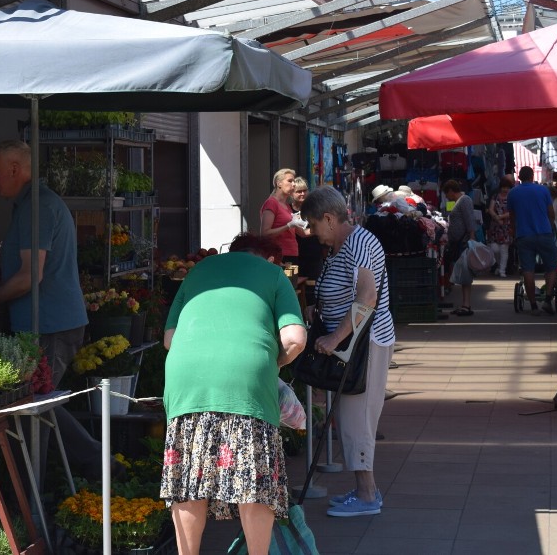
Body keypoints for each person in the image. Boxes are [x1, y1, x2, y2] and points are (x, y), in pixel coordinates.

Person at [0, 140, 112, 479]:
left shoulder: (38, 207)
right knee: (41, 403)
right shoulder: (32, 205)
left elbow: (31, 276)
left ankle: (35, 496)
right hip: (48, 323)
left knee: (33, 409)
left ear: (15, 170)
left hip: (51, 325)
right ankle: (99, 464)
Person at [160, 232, 307, 555]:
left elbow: (170, 339)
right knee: (253, 481)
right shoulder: (273, 275)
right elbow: (295, 338)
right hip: (247, 382)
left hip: (188, 383)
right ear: (268, 259)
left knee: (188, 479)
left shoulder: (199, 271)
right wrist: (273, 363)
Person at [299, 186, 394, 518]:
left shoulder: (360, 243)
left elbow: (367, 297)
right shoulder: (341, 247)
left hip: (364, 346)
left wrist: (335, 337)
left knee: (359, 419)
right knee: (349, 417)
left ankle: (368, 495)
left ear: (328, 218)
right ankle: (363, 489)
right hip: (350, 347)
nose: (311, 233)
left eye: (312, 224)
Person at [507, 166, 557, 316]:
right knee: (551, 267)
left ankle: (534, 306)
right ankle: (548, 299)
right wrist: (549, 226)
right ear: (531, 176)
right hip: (544, 233)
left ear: (520, 177)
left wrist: (514, 232)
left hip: (524, 235)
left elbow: (512, 217)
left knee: (528, 270)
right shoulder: (543, 190)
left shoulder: (513, 193)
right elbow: (551, 212)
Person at [442, 179, 476, 316]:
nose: (446, 197)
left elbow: (469, 220)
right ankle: (464, 304)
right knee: (463, 274)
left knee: (465, 274)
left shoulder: (464, 200)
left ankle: (466, 304)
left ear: (451, 191)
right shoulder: (458, 202)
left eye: (446, 194)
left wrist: (472, 239)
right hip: (460, 243)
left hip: (464, 243)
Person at [260, 168, 304, 264]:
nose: (294, 184)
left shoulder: (286, 205)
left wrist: (319, 227)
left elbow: (302, 233)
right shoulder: (271, 203)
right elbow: (265, 233)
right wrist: (288, 225)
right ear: (279, 183)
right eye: (290, 181)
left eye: (294, 181)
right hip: (279, 255)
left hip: (292, 254)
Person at [291, 176, 324, 286]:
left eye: (304, 190)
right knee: (294, 286)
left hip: (314, 256)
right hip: (294, 257)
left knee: (315, 287)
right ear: (292, 193)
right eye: (298, 191)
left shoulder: (314, 208)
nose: (302, 194)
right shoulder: (287, 210)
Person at [487, 177, 513, 277]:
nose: (505, 189)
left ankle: (502, 270)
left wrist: (501, 217)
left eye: (507, 187)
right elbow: (490, 209)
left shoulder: (511, 196)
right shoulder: (495, 196)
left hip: (506, 226)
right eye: (503, 187)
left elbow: (512, 211)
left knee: (504, 249)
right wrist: (497, 218)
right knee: (494, 249)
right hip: (495, 226)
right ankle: (499, 266)